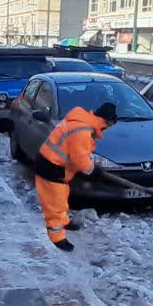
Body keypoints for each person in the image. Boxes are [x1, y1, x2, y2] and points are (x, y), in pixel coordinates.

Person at [33, 102, 119, 252]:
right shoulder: (82, 130)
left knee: (62, 197)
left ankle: (64, 221)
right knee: (55, 205)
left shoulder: (81, 121)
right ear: (105, 121)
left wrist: (91, 169)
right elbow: (79, 159)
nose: (108, 129)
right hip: (51, 168)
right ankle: (57, 237)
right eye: (109, 126)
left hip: (55, 166)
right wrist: (93, 171)